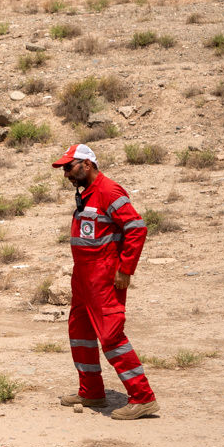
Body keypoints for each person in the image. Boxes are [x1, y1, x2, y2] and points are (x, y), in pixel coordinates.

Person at [53, 143, 159, 420]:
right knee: (81, 335)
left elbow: (136, 228)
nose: (66, 174)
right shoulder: (87, 194)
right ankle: (91, 392)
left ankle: (143, 397)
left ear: (86, 164)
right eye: (64, 168)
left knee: (112, 337)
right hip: (83, 278)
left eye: (69, 167)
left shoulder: (109, 191)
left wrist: (125, 269)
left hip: (104, 277)